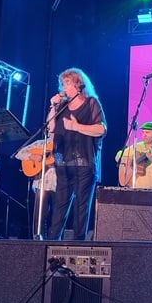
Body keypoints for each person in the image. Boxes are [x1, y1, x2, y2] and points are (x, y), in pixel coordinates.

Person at [47, 68, 106, 240]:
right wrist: (53, 106)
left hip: (84, 163)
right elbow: (50, 129)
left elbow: (101, 129)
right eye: (62, 83)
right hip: (62, 163)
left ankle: (78, 246)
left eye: (67, 83)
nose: (63, 87)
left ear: (78, 84)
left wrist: (76, 126)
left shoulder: (91, 103)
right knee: (59, 207)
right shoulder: (62, 106)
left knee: (81, 208)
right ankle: (52, 244)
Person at [115, 121, 152, 189]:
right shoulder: (137, 146)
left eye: (147, 132)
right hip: (136, 189)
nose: (144, 135)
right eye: (143, 132)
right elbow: (118, 156)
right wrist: (128, 163)